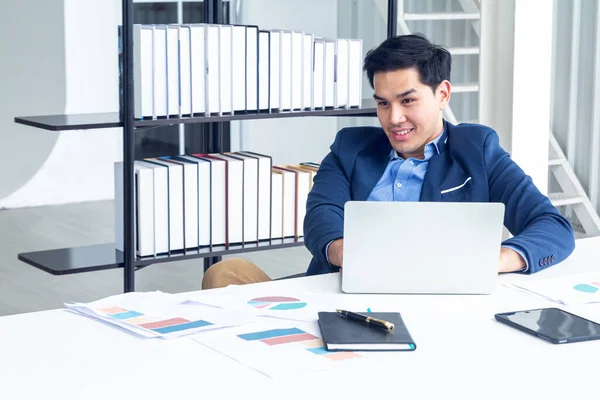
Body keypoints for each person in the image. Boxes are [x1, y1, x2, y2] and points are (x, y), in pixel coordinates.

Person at [202, 33, 575, 290]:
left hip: (437, 295)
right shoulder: (350, 146)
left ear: (442, 94)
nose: (393, 117)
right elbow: (321, 216)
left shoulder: (476, 149)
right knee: (225, 272)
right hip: (343, 289)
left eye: (407, 101)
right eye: (383, 103)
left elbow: (553, 227)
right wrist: (346, 252)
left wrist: (490, 260)